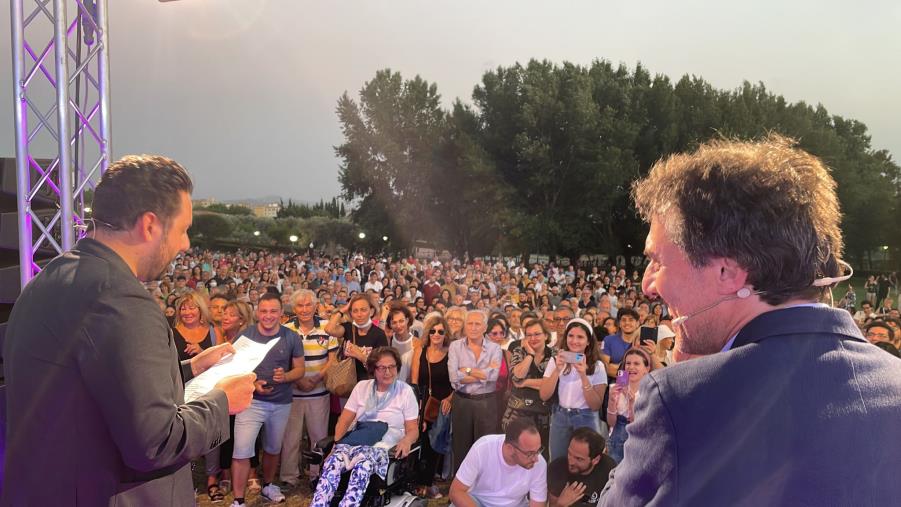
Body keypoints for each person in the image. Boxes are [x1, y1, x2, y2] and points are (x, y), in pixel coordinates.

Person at [599, 136, 901, 505]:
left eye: (658, 261)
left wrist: (687, 382)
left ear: (727, 271)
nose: (647, 284)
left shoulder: (679, 402)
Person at [2, 155, 255, 506]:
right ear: (150, 225)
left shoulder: (50, 276)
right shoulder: (122, 299)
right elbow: (155, 444)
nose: (186, 245)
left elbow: (98, 387)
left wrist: (190, 369)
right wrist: (222, 401)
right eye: (182, 229)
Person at [311, 347, 419, 507]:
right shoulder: (362, 387)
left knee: (364, 465)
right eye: (382, 368)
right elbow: (344, 421)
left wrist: (407, 441)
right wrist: (336, 445)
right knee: (332, 462)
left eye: (392, 367)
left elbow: (413, 429)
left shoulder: (405, 391)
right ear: (373, 369)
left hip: (386, 443)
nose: (388, 372)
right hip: (359, 437)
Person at [230, 293, 306, 506]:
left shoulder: (291, 337)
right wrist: (252, 384)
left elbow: (300, 369)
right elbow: (233, 368)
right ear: (257, 313)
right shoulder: (245, 336)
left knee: (273, 448)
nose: (268, 316)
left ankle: (268, 486)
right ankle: (238, 500)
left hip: (281, 402)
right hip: (250, 402)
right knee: (242, 451)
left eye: (273, 311)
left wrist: (286, 377)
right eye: (264, 311)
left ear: (282, 313)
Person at [279, 289, 338, 487]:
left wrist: (316, 378)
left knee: (318, 437)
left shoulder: (327, 327)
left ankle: (316, 476)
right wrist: (298, 380)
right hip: (292, 393)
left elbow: (333, 359)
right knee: (290, 438)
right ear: (294, 308)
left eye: (308, 305)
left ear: (315, 306)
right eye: (300, 306)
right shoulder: (286, 329)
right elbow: (282, 361)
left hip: (319, 392)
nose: (304, 310)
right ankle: (289, 477)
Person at [539, 318, 607, 461]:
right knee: (557, 461)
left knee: (586, 463)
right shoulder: (555, 361)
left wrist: (583, 375)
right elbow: (544, 395)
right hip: (559, 416)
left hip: (586, 417)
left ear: (588, 341)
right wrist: (557, 370)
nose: (574, 341)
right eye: (571, 336)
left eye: (580, 337)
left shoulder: (597, 366)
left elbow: (595, 405)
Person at [448, 309, 503, 473]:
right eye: (469, 323)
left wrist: (468, 371)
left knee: (486, 448)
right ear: (464, 326)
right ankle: (460, 489)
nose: (473, 327)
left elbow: (493, 377)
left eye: (477, 324)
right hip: (462, 402)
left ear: (485, 327)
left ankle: (484, 488)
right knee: (461, 447)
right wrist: (483, 373)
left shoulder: (495, 348)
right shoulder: (455, 346)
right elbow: (453, 378)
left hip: (487, 403)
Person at [448, 417, 548, 507]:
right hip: (477, 502)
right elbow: (456, 491)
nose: (536, 459)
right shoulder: (483, 448)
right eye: (530, 453)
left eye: (539, 450)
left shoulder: (539, 463)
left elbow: (537, 504)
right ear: (510, 448)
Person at [411, 316, 454, 499]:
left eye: (441, 331)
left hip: (442, 405)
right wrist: (417, 404)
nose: (436, 334)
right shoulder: (420, 350)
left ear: (446, 334)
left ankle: (428, 483)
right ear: (428, 333)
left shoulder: (451, 352)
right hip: (422, 404)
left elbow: (456, 381)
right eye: (433, 331)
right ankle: (417, 482)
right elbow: (414, 380)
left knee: (435, 444)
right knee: (419, 443)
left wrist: (450, 399)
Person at [502, 318, 555, 457]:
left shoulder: (554, 355)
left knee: (539, 457)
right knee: (515, 455)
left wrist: (525, 383)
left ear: (546, 335)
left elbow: (554, 384)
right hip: (516, 414)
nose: (533, 338)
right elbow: (517, 376)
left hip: (544, 416)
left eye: (537, 334)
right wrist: (530, 354)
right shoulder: (519, 351)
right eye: (529, 335)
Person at [325, 293, 389, 383]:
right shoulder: (348, 328)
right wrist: (342, 310)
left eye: (363, 310)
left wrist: (360, 355)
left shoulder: (379, 334)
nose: (359, 314)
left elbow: (384, 365)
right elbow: (328, 329)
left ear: (371, 311)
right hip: (347, 384)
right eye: (355, 311)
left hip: (369, 384)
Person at [604, 348, 653, 463]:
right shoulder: (615, 388)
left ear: (646, 369)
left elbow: (637, 425)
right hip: (616, 441)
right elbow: (611, 423)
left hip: (639, 440)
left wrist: (632, 403)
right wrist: (611, 401)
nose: (631, 367)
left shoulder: (650, 392)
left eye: (636, 364)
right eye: (628, 363)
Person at [547, 428, 616, 507]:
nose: (571, 462)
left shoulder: (608, 469)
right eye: (569, 453)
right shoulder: (557, 468)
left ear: (596, 460)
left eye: (578, 459)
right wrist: (560, 504)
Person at [171, 291, 215, 361]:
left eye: (191, 308)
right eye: (183, 309)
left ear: (200, 310)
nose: (187, 312)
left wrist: (201, 352)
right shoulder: (171, 334)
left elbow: (221, 360)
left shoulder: (213, 331)